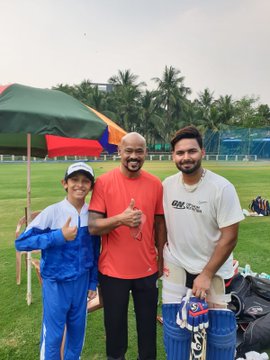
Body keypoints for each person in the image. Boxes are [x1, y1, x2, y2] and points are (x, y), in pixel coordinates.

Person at [161, 126, 245, 360]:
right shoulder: (167, 185)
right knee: (175, 332)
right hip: (175, 265)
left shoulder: (221, 188)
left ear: (202, 152)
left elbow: (230, 237)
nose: (186, 157)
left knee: (219, 335)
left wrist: (207, 274)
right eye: (180, 153)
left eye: (191, 151)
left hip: (213, 270)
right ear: (173, 156)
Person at [88, 132, 166, 360]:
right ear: (119, 152)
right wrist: (120, 219)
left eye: (139, 151)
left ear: (146, 153)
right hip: (112, 273)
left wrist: (161, 258)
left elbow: (160, 224)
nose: (134, 156)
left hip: (147, 270)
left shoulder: (155, 184)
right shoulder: (103, 182)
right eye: (128, 151)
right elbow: (93, 226)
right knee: (115, 331)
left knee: (147, 331)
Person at [15, 162, 100, 360]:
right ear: (65, 183)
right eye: (74, 180)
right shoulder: (52, 212)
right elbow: (22, 242)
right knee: (53, 336)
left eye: (85, 181)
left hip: (81, 283)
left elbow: (95, 252)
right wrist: (58, 236)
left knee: (77, 333)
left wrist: (92, 281)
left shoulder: (93, 214)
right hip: (55, 283)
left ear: (91, 186)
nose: (80, 185)